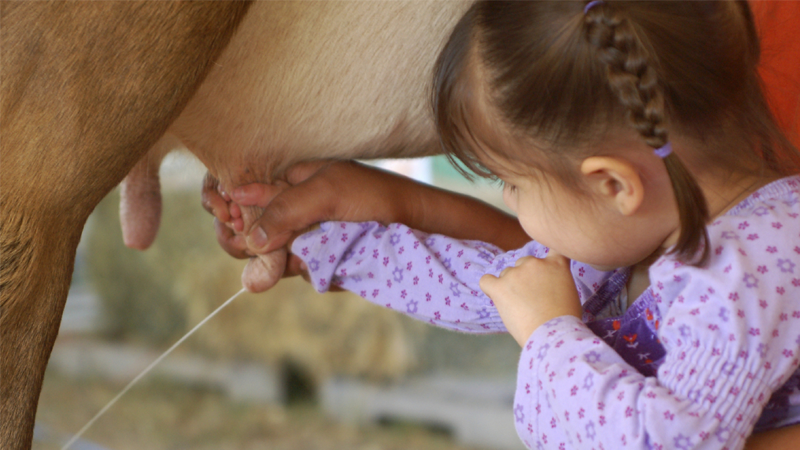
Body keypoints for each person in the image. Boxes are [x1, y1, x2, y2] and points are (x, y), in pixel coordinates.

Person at [203, 1, 800, 448]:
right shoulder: (656, 226)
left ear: (613, 183)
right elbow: (489, 283)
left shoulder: (752, 270)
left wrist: (550, 333)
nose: (509, 204)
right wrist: (328, 240)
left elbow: (669, 442)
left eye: (512, 182)